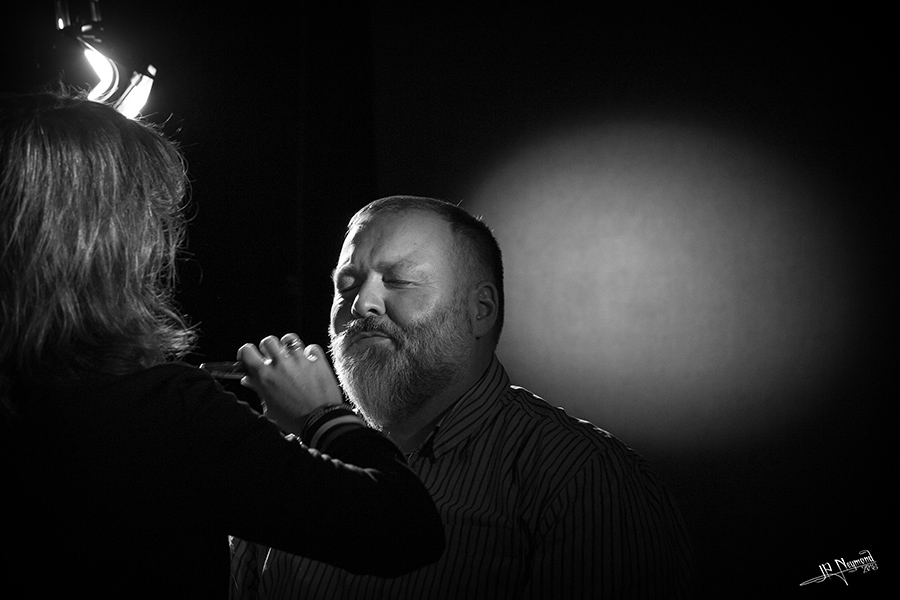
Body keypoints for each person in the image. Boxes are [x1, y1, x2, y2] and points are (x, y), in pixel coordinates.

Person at [0, 93, 444, 599]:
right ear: (114, 241)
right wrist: (322, 416)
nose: (163, 240)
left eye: (399, 280)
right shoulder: (165, 412)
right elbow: (405, 530)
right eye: (150, 217)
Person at [230, 195, 694, 599]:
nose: (361, 304)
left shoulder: (584, 478)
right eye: (346, 284)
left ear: (480, 310)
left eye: (400, 280)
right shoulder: (290, 464)